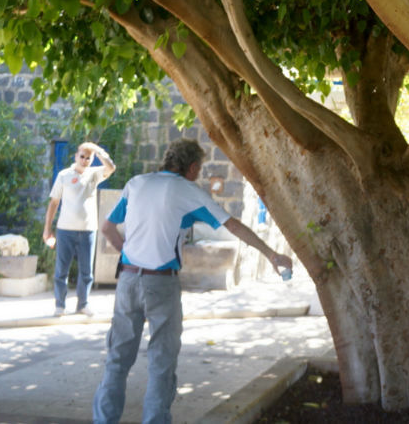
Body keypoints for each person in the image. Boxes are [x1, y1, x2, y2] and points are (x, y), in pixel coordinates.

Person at [92, 139, 293, 424]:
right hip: (161, 283)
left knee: (117, 359)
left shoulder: (136, 183)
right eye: (199, 169)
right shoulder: (188, 191)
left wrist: (129, 256)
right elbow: (232, 225)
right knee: (161, 363)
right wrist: (271, 254)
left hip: (126, 278)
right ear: (193, 167)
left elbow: (107, 228)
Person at [42, 141, 116, 316]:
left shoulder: (94, 174)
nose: (84, 160)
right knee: (61, 270)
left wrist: (98, 151)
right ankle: (60, 304)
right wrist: (47, 229)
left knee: (86, 272)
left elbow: (111, 167)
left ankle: (83, 304)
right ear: (76, 156)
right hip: (65, 229)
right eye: (82, 156)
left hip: (88, 229)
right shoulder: (64, 175)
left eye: (88, 158)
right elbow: (53, 203)